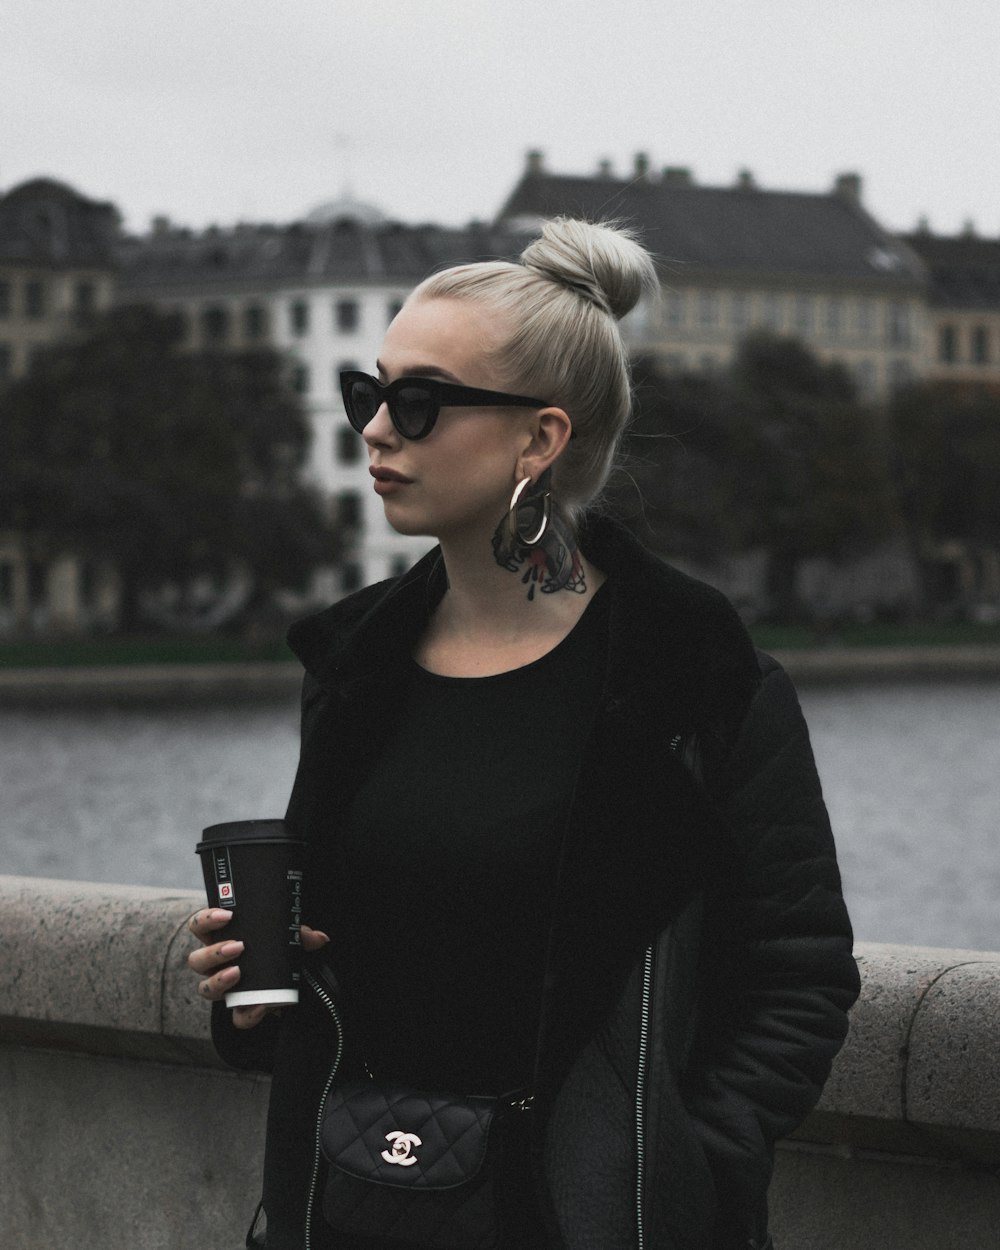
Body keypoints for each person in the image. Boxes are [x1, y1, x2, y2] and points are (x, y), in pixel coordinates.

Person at [188, 217, 860, 1250]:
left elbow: (797, 972)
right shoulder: (353, 670)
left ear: (539, 439)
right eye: (369, 393)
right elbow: (341, 969)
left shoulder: (695, 679)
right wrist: (252, 999)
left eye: (417, 402)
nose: (374, 430)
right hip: (359, 1208)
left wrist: (689, 1161)